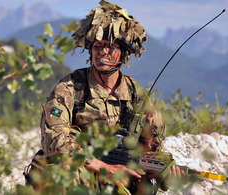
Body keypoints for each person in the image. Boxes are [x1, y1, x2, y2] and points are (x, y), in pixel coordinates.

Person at [35, 0, 184, 194]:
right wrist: (102, 167)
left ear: (123, 53)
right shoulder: (70, 88)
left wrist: (168, 170)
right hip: (82, 173)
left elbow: (152, 145)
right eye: (98, 46)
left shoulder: (135, 93)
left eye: (111, 47)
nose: (103, 52)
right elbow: (54, 139)